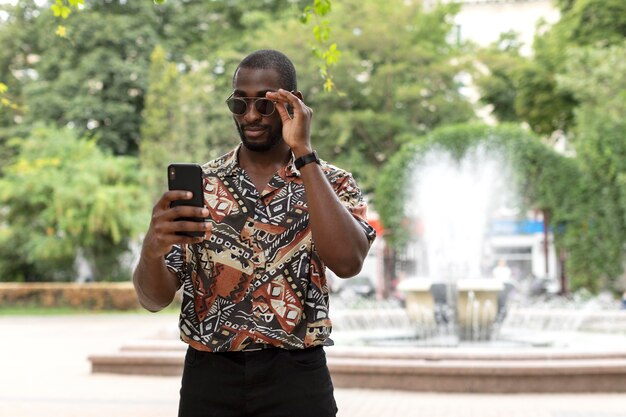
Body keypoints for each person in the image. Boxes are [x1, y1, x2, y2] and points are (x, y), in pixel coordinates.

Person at [132, 49, 376, 417]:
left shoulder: (333, 183)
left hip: (296, 378)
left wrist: (304, 153)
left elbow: (347, 262)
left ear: (294, 104)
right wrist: (152, 248)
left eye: (265, 105)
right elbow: (153, 300)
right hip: (210, 379)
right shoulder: (202, 185)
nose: (250, 115)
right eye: (239, 104)